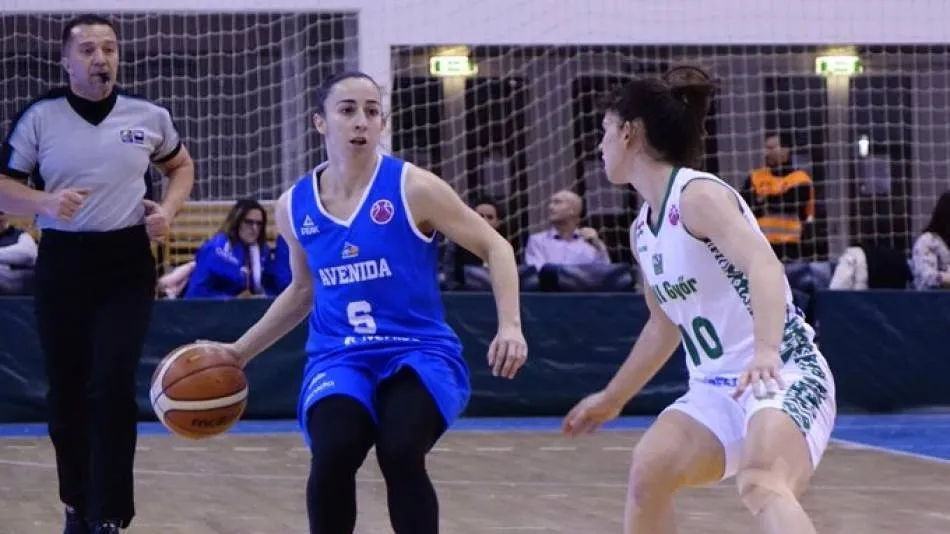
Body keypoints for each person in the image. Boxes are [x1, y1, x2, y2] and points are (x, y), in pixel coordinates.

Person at [208, 71, 527, 534]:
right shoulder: (294, 206)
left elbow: (496, 246)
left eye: (372, 111)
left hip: (418, 353)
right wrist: (239, 352)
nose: (361, 120)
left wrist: (510, 325)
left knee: (400, 450)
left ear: (382, 123)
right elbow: (302, 291)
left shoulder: (413, 187)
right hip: (339, 357)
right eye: (347, 110)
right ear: (320, 122)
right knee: (333, 452)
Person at [561, 65, 836, 534]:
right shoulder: (642, 231)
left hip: (782, 372)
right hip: (715, 389)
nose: (599, 145)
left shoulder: (697, 195)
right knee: (649, 472)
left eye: (604, 131)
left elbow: (765, 266)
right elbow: (662, 326)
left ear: (628, 132)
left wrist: (766, 350)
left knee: (762, 482)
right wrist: (613, 397)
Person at [0, 14, 195, 534]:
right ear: (67, 61)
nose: (100, 58)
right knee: (66, 392)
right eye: (87, 49)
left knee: (110, 384)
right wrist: (45, 202)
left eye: (108, 48)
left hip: (125, 263)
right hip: (63, 262)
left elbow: (180, 165)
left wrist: (168, 211)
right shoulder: (40, 117)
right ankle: (77, 505)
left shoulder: (148, 115)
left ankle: (109, 514)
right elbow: (4, 188)